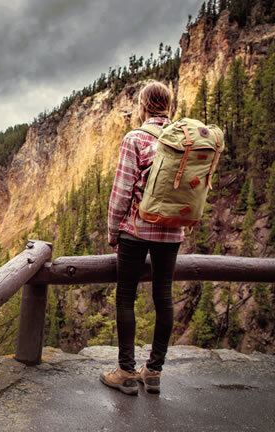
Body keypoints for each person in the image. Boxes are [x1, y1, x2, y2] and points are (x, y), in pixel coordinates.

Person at [99, 80, 183, 395]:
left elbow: (121, 193)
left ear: (143, 106)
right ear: (168, 107)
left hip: (136, 229)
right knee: (164, 296)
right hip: (173, 229)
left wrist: (112, 230)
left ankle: (126, 371)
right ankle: (154, 371)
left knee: (126, 297)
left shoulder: (135, 138)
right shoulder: (183, 139)